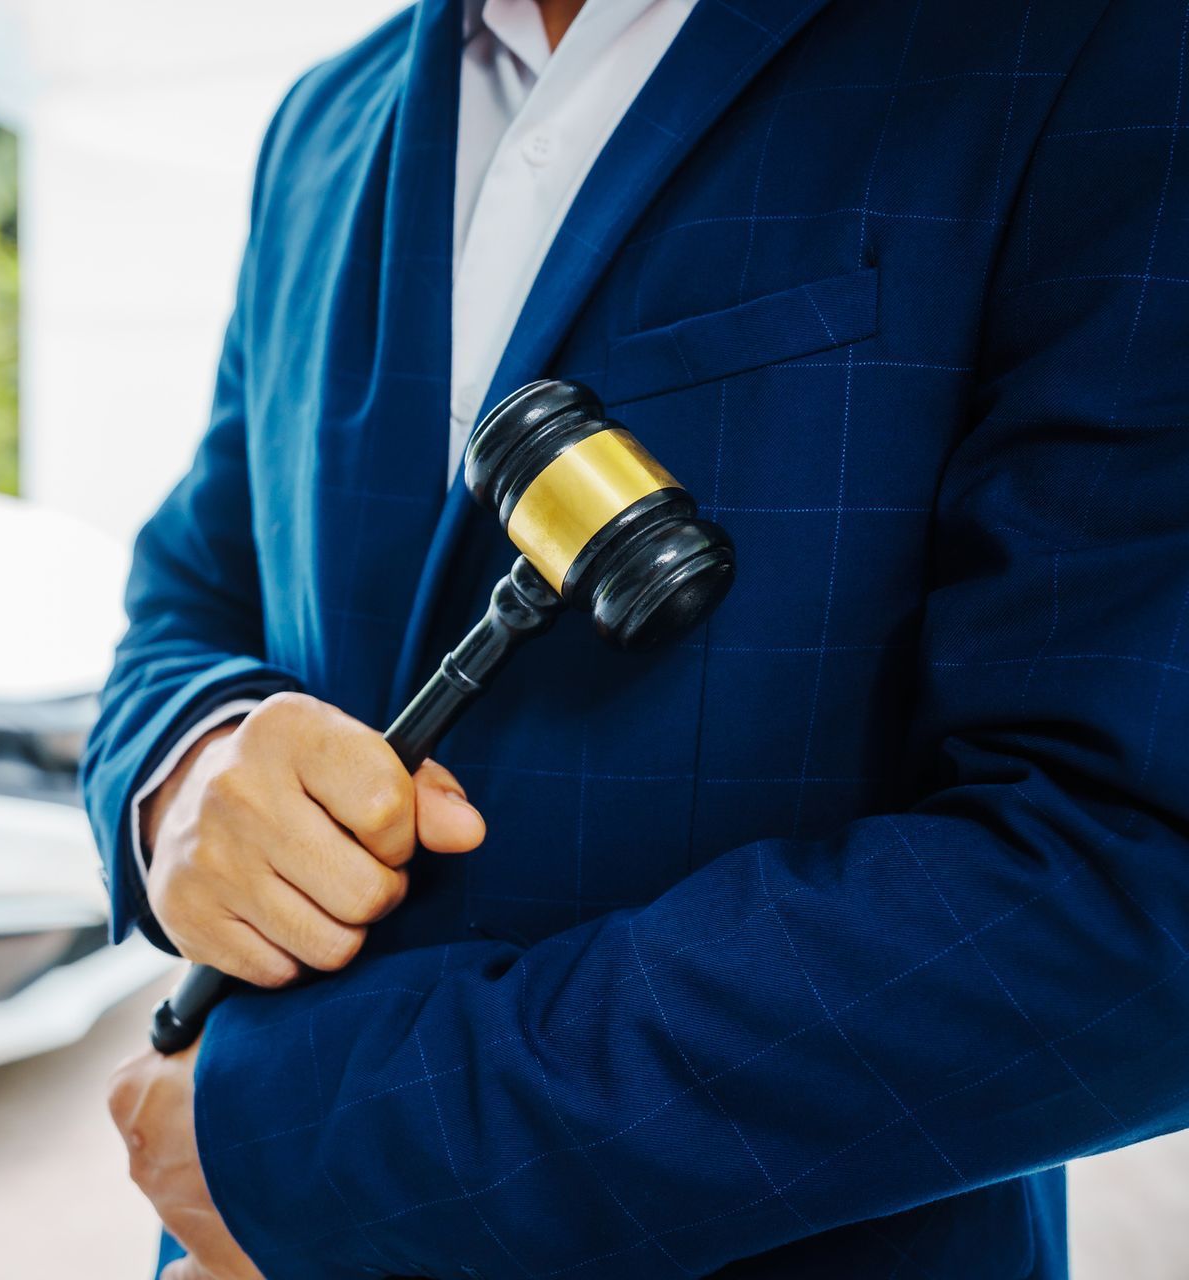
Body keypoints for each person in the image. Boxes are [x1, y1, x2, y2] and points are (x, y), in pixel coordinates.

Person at [84, 0, 1189, 1275]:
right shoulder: (322, 126)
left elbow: (1130, 874)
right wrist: (186, 769)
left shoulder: (1092, 45)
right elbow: (190, 585)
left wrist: (328, 1138)